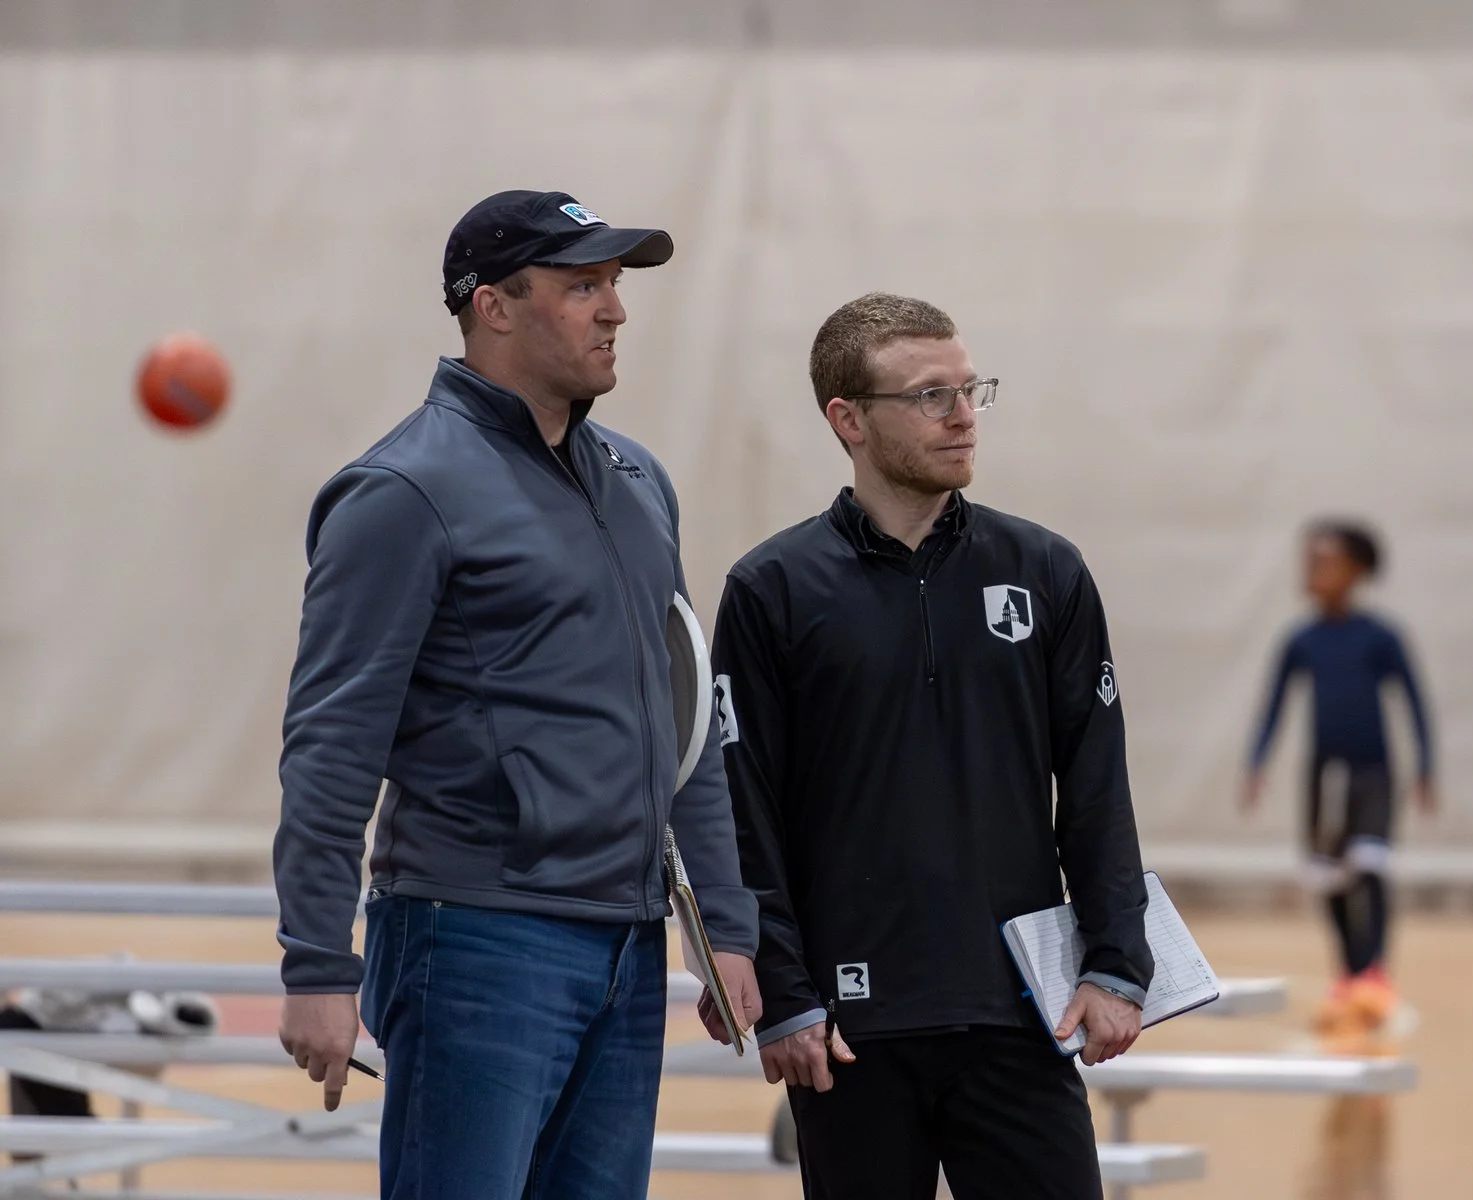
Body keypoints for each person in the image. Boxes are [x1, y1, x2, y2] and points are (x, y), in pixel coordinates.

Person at [271, 189, 761, 1200]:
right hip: (475, 938)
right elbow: (332, 742)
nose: (615, 310)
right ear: (493, 306)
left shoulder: (639, 482)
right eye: (584, 286)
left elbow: (685, 720)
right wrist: (318, 962)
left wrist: (724, 921)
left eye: (615, 285)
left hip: (626, 944)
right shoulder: (404, 492)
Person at [708, 292, 1153, 1199]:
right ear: (849, 420)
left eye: (969, 388)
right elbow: (743, 808)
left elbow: (1098, 784)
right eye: (928, 396)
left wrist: (1116, 962)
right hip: (848, 1029)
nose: (961, 415)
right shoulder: (771, 590)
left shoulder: (1046, 571)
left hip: (1023, 1014)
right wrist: (786, 992)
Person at [1243, 520, 1436, 1034]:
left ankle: (1373, 974)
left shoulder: (1381, 637)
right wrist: (1256, 763)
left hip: (1372, 771)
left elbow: (1414, 701)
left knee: (1371, 868)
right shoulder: (1301, 640)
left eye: (1324, 561)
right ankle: (1350, 975)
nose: (1311, 570)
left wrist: (1426, 765)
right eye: (1309, 560)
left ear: (1356, 570)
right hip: (1323, 778)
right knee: (1329, 877)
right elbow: (1274, 707)